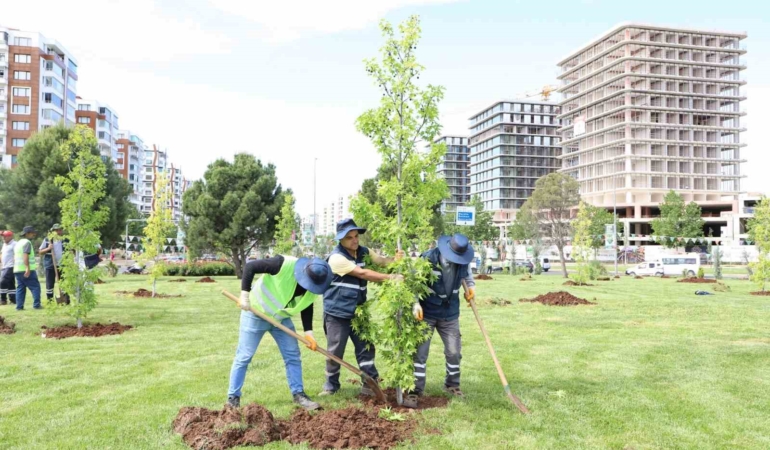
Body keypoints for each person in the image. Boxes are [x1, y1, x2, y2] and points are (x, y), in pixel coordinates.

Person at [228, 255, 333, 411]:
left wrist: (308, 332)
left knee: (293, 356)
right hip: (256, 313)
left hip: (281, 319)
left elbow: (306, 304)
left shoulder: (316, 282)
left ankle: (299, 394)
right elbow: (250, 267)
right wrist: (244, 294)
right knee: (244, 356)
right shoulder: (282, 264)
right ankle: (233, 399)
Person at [320, 218, 404, 396]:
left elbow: (381, 261)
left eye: (356, 236)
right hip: (337, 312)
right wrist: (391, 278)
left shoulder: (364, 252)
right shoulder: (336, 258)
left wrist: (395, 261)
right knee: (335, 350)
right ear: (340, 240)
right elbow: (363, 273)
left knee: (366, 346)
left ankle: (370, 383)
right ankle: (330, 385)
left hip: (359, 311)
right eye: (349, 237)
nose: (355, 240)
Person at [404, 233, 476, 409]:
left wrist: (471, 288)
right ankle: (415, 390)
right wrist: (415, 303)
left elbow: (467, 277)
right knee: (420, 353)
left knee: (454, 351)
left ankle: (452, 385)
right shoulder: (427, 259)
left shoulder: (463, 261)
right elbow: (413, 283)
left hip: (450, 313)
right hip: (427, 312)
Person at [14, 226, 42, 310]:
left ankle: (19, 307)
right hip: (25, 269)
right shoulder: (27, 243)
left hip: (17, 269)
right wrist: (27, 268)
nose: (34, 234)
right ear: (27, 234)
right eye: (32, 232)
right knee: (35, 287)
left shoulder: (18, 243)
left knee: (20, 288)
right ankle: (37, 305)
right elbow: (25, 255)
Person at [39, 224, 68, 304]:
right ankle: (50, 301)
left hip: (63, 265)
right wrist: (48, 248)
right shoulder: (47, 240)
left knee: (64, 284)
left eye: (60, 230)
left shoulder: (65, 240)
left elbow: (72, 249)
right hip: (50, 265)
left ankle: (65, 299)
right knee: (50, 284)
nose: (58, 232)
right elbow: (40, 252)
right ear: (53, 231)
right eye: (56, 230)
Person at [1, 231, 17, 306]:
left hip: (11, 266)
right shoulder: (4, 244)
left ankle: (3, 300)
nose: (3, 238)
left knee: (2, 282)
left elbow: (17, 254)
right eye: (3, 236)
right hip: (4, 266)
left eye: (5, 236)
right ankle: (13, 300)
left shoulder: (15, 244)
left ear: (10, 236)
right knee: (11, 284)